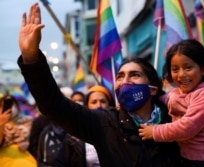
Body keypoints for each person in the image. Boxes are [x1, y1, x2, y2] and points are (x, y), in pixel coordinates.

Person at [17, 3, 181, 167]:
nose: (125, 82)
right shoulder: (105, 123)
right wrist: (31, 58)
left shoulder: (177, 119)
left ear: (152, 89)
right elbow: (54, 106)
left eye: (135, 75)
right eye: (120, 76)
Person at [139, 39, 204, 167]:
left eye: (188, 67)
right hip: (189, 157)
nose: (181, 75)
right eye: (175, 69)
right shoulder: (177, 93)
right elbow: (163, 99)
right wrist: (143, 99)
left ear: (203, 70)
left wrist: (155, 132)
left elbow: (187, 127)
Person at [0, 95, 36, 167]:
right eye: (3, 106)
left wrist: (29, 144)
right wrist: (1, 123)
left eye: (12, 105)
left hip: (26, 159)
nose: (10, 109)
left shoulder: (27, 121)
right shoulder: (2, 124)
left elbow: (36, 141)